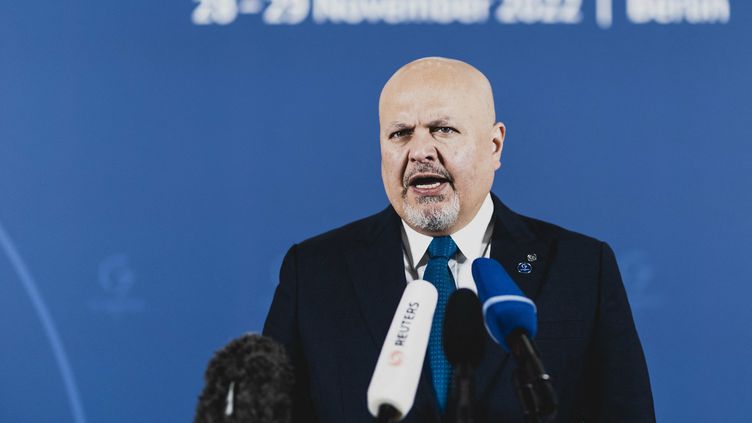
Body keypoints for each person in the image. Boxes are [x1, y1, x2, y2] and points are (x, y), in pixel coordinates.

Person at [263, 57, 655, 422]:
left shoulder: (581, 267)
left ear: (494, 145)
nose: (419, 151)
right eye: (400, 134)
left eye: (443, 129)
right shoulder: (314, 272)